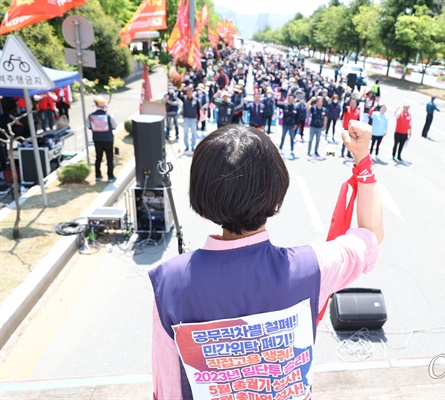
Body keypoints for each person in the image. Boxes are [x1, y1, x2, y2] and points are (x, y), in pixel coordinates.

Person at [149, 120, 383, 400]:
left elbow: (167, 388)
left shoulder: (170, 281)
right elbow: (369, 236)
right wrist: (362, 158)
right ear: (276, 189)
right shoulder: (313, 267)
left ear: (201, 192)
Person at [88, 96, 117, 182]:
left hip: (97, 139)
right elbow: (115, 126)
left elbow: (89, 126)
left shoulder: (91, 116)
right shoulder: (109, 116)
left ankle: (98, 175)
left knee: (98, 157)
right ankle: (110, 176)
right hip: (108, 139)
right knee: (109, 158)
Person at [178, 85, 200, 152]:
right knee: (186, 133)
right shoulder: (184, 98)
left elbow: (198, 109)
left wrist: (198, 118)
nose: (189, 92)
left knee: (193, 133)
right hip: (186, 118)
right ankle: (187, 146)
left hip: (193, 119)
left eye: (191, 91)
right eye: (188, 91)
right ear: (186, 92)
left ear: (192, 92)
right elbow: (178, 96)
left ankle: (193, 146)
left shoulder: (196, 100)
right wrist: (181, 88)